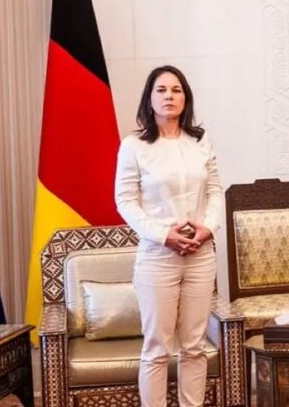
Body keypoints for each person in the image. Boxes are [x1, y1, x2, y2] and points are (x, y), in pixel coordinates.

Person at [115, 65, 223, 407]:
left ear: (185, 98)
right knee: (157, 348)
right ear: (149, 98)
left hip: (200, 255)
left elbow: (216, 191)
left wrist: (208, 228)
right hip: (158, 257)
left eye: (176, 90)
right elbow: (125, 201)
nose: (169, 96)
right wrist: (165, 235)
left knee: (194, 347)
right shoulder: (134, 146)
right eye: (161, 90)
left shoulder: (200, 140)